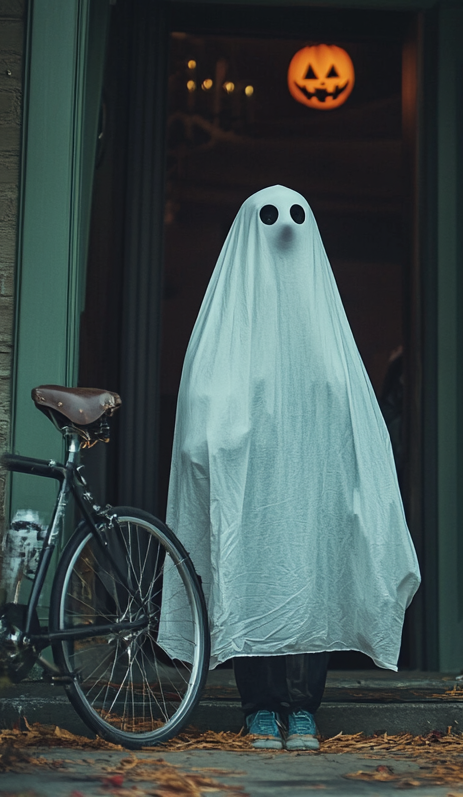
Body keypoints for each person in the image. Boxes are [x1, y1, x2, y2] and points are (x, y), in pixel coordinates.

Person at [159, 185, 421, 752]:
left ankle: (303, 708)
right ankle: (258, 707)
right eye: (269, 215)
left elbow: (350, 405)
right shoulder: (227, 323)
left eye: (296, 215)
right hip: (249, 486)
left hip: (311, 484)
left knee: (309, 579)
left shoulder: (326, 327)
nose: (284, 226)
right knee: (251, 576)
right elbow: (202, 401)